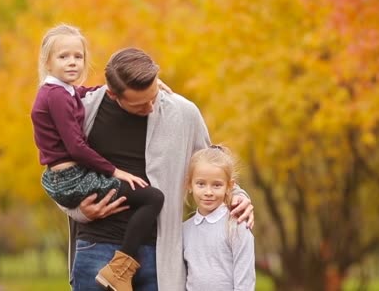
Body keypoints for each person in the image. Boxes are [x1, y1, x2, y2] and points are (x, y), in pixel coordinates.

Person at [59, 47, 254, 291]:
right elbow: (59, 173)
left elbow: (212, 165)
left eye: (154, 96)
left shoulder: (184, 113)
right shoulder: (83, 111)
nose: (151, 107)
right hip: (97, 246)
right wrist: (77, 209)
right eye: (140, 104)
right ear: (113, 94)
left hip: (158, 254)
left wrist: (238, 197)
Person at [30, 25, 165, 291]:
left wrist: (137, 84)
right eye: (63, 56)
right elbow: (77, 147)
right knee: (152, 197)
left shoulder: (64, 92)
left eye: (78, 56)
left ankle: (120, 267)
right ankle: (120, 269)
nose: (72, 62)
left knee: (147, 197)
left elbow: (88, 92)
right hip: (71, 178)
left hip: (66, 177)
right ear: (47, 62)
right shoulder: (56, 96)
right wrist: (115, 171)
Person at [183, 145, 256, 291]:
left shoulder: (236, 226)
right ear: (189, 185)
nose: (208, 192)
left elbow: (245, 283)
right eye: (201, 184)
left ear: (229, 186)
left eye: (217, 185)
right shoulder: (184, 230)